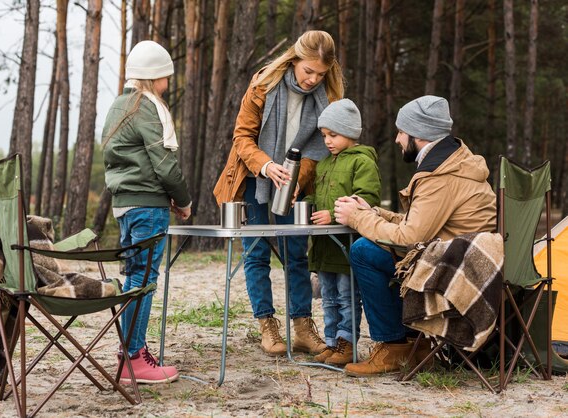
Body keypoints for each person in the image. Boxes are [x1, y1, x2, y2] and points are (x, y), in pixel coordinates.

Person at [334, 95, 497, 376]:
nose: (397, 139)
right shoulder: (454, 162)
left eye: (401, 132)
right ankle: (416, 344)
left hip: (457, 270)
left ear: (419, 134)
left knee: (364, 251)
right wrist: (375, 212)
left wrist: (357, 218)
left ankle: (395, 345)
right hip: (463, 257)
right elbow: (423, 225)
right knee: (377, 248)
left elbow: (410, 237)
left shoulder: (440, 176)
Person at [213, 30, 344, 356]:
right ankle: (268, 327)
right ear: (294, 60)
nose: (313, 79)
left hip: (294, 184)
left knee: (296, 253)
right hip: (255, 178)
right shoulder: (263, 86)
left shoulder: (328, 96)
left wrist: (302, 178)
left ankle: (301, 327)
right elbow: (242, 138)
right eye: (308, 71)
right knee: (256, 253)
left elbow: (322, 147)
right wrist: (267, 165)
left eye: (320, 73)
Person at [102, 40, 192, 384]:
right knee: (143, 280)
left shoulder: (117, 106)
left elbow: (126, 161)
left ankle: (131, 352)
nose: (167, 85)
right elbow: (166, 166)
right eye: (165, 78)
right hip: (148, 208)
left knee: (134, 277)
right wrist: (182, 201)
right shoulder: (147, 106)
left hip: (124, 206)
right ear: (154, 77)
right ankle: (134, 359)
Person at [305, 99, 381, 366]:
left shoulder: (362, 162)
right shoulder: (324, 164)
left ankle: (348, 344)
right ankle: (331, 342)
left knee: (347, 297)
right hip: (324, 246)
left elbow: (366, 198)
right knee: (328, 298)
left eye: (333, 135)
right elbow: (319, 193)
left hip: (347, 245)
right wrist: (306, 202)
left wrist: (331, 213)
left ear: (349, 132)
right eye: (324, 135)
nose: (327, 141)